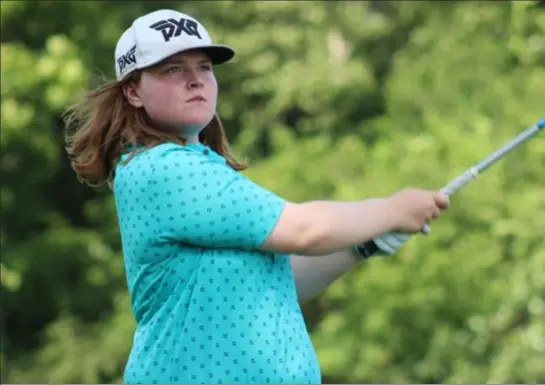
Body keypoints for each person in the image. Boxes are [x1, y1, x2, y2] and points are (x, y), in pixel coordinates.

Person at [64, 9, 450, 385]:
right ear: (133, 91)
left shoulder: (201, 168)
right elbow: (305, 230)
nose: (196, 80)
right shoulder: (162, 169)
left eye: (204, 67)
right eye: (172, 69)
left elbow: (278, 281)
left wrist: (363, 245)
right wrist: (392, 209)